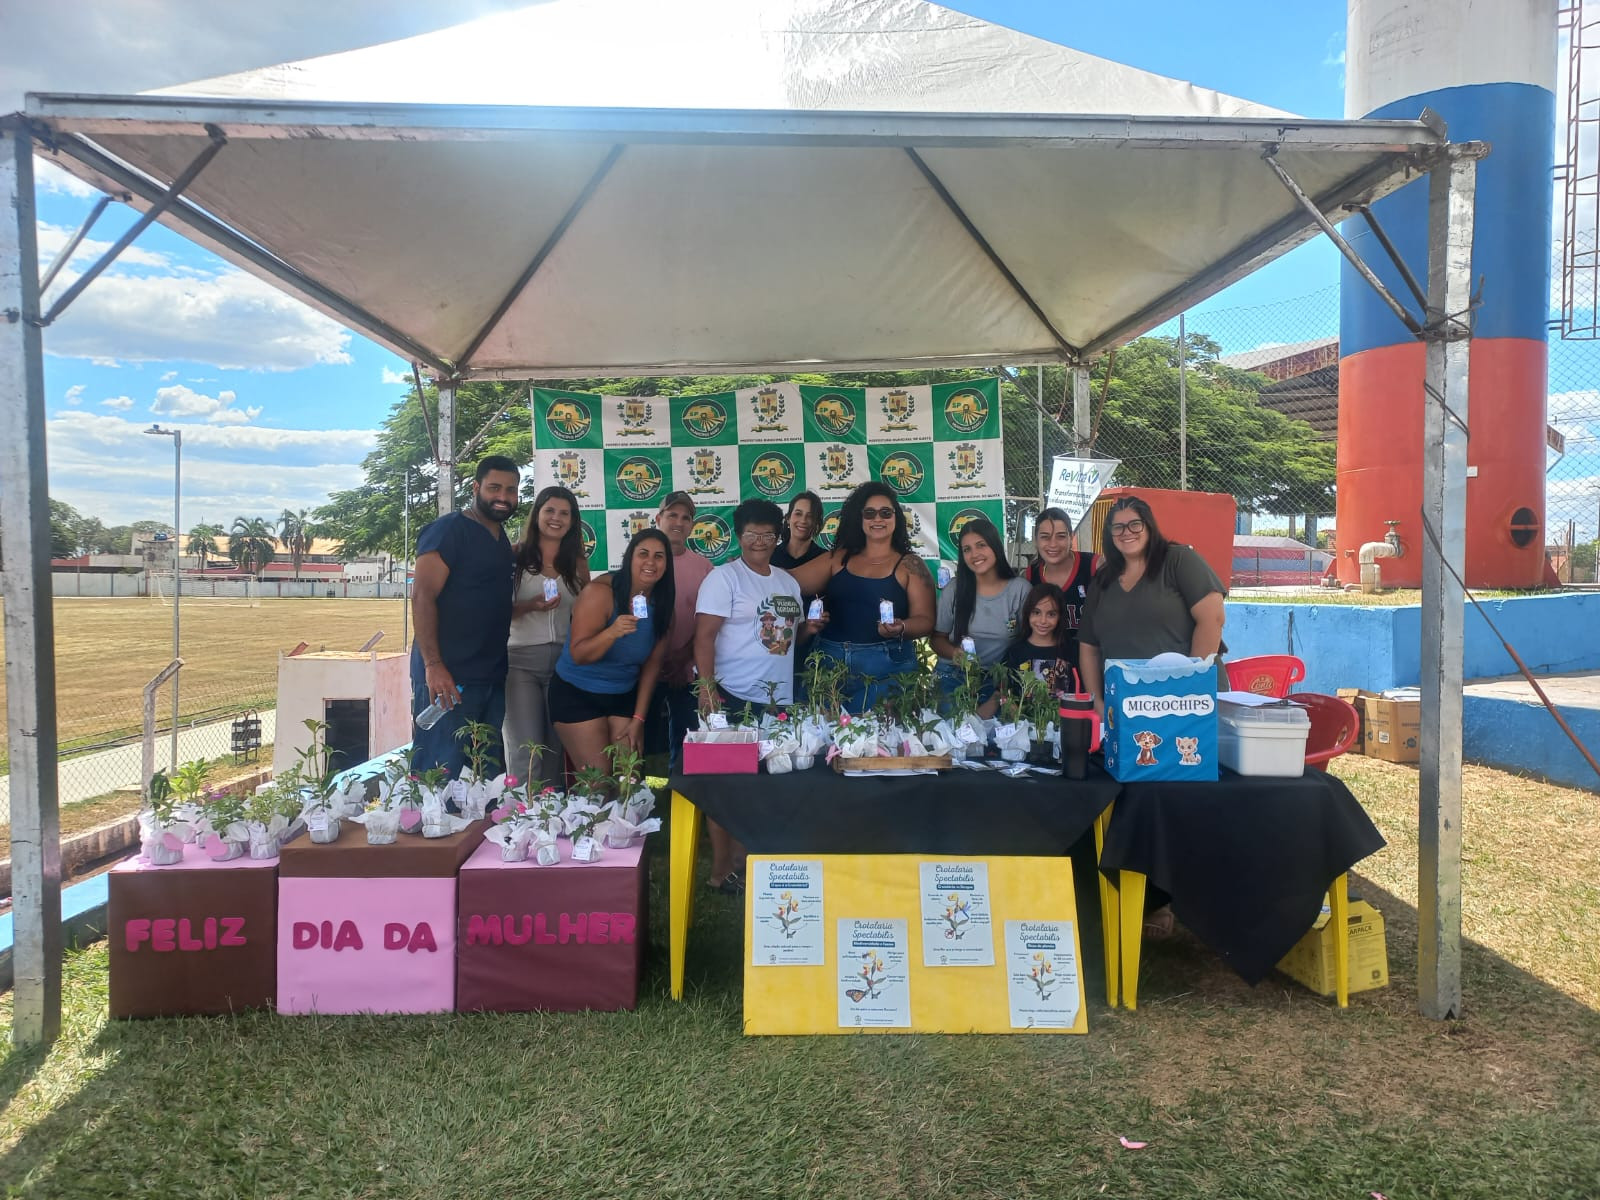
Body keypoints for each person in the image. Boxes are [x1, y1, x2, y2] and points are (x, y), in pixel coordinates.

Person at [1076, 495, 1226, 941]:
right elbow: (1088, 646)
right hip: (1128, 713)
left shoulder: (1179, 561)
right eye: (1118, 526)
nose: (1127, 531)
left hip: (1184, 712)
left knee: (1176, 803)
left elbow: (1212, 617)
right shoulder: (1104, 581)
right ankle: (1141, 897)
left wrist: (1190, 683)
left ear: (1149, 525)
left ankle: (1174, 900)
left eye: (1134, 523)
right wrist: (1099, 701)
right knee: (1130, 801)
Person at [693, 498, 821, 894]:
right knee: (724, 788)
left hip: (776, 701)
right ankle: (720, 871)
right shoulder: (724, 578)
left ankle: (748, 865)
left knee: (762, 786)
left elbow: (784, 639)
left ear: (777, 535)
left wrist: (809, 630)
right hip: (731, 696)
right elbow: (704, 636)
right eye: (752, 534)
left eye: (768, 534)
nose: (760, 541)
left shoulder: (786, 582)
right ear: (739, 536)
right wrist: (707, 688)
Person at [410, 455, 520, 777]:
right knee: (439, 775)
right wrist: (433, 665)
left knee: (484, 781)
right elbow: (422, 596)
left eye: (511, 490)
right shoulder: (447, 532)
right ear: (475, 487)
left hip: (490, 677)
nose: (503, 497)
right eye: (494, 488)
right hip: (449, 677)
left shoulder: (500, 541)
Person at [787, 482, 936, 713]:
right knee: (824, 742)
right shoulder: (838, 558)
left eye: (886, 513)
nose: (878, 519)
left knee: (880, 746)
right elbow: (787, 582)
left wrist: (901, 627)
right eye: (869, 513)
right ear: (859, 518)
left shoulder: (910, 564)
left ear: (896, 518)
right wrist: (746, 569)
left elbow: (926, 619)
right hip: (830, 664)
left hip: (886, 667)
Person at [549, 529, 676, 778]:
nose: (651, 562)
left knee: (628, 777)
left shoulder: (663, 607)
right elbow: (579, 655)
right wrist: (612, 632)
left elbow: (652, 665)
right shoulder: (601, 593)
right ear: (630, 558)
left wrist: (639, 719)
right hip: (578, 693)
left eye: (659, 556)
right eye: (643, 554)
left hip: (623, 693)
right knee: (599, 780)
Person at [503, 485, 588, 786]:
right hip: (520, 663)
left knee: (556, 750)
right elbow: (494, 610)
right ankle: (518, 819)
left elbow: (586, 613)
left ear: (572, 521)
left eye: (565, 513)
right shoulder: (514, 556)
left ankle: (551, 823)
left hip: (564, 667)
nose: (556, 518)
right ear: (537, 513)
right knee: (527, 749)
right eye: (550, 510)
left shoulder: (577, 563)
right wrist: (530, 606)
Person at [648, 490, 713, 770]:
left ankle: (681, 793)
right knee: (642, 736)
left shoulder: (704, 567)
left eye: (686, 517)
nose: (678, 521)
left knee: (687, 737)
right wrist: (657, 659)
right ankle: (641, 794)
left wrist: (682, 658)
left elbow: (708, 623)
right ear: (658, 518)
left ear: (692, 526)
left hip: (686, 670)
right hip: (644, 668)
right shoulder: (642, 560)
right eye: (672, 514)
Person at [929, 516, 1030, 695]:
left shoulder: (1019, 589)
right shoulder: (954, 589)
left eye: (981, 545)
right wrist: (955, 654)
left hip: (999, 680)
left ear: (995, 546)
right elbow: (937, 639)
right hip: (954, 676)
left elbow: (1029, 642)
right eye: (967, 549)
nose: (974, 554)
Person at [979, 582, 1078, 718]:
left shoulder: (1071, 650)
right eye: (1036, 612)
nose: (1042, 621)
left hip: (1061, 729)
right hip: (1023, 730)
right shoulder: (1016, 652)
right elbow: (1001, 694)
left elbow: (1080, 695)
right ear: (1027, 613)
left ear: (1060, 616)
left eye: (1051, 614)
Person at [1024, 506, 1095, 660]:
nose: (1053, 544)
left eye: (1061, 536)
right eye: (1045, 537)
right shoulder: (1030, 576)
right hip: (1051, 666)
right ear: (1036, 540)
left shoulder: (1094, 566)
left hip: (1095, 661)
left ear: (1072, 537)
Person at [771, 491, 826, 597]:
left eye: (810, 516)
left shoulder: (824, 559)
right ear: (788, 519)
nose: (803, 520)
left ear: (817, 523)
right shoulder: (770, 556)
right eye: (798, 514)